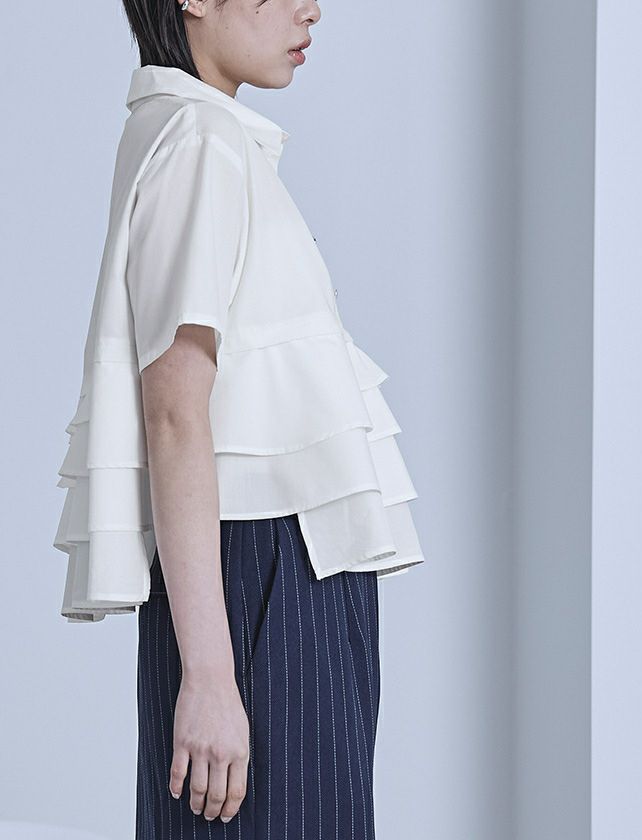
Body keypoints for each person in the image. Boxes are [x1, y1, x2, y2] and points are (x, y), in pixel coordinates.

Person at [52, 0, 426, 836]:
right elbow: (175, 409)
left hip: (250, 569)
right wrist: (211, 676)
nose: (310, 9)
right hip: (262, 575)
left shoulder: (188, 134)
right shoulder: (199, 143)